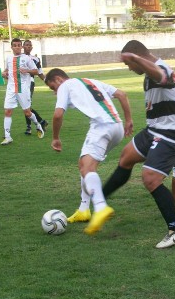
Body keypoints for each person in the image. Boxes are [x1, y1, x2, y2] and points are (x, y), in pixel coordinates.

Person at [98, 40, 175, 249]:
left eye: (129, 64)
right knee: (126, 157)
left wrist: (135, 59)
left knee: (150, 178)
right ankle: (100, 202)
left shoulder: (161, 70)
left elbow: (162, 76)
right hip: (155, 128)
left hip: (171, 134)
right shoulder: (150, 73)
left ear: (137, 56)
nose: (129, 68)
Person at [44, 68, 133, 235]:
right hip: (117, 127)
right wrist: (129, 120)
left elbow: (57, 115)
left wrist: (55, 137)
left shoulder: (66, 85)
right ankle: (84, 209)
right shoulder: (90, 81)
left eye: (53, 88)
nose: (55, 92)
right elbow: (122, 94)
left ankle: (100, 207)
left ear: (58, 79)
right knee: (84, 163)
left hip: (101, 127)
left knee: (87, 168)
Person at [1, 38, 45, 145]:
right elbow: (6, 71)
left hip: (23, 89)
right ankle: (7, 136)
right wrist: (4, 73)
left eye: (18, 45)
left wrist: (27, 70)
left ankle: (38, 125)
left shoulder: (26, 58)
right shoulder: (8, 58)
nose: (16, 47)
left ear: (21, 47)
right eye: (14, 45)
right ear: (11, 47)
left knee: (27, 112)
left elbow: (35, 71)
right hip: (11, 89)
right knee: (7, 111)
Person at [22, 40, 49, 135]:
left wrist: (48, 82)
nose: (28, 47)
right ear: (23, 47)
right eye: (26, 45)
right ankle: (42, 122)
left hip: (30, 83)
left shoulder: (36, 59)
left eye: (30, 45)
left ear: (32, 48)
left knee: (26, 106)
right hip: (20, 84)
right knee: (25, 106)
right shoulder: (18, 58)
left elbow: (40, 73)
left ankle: (29, 128)